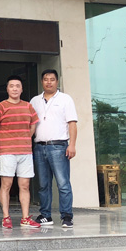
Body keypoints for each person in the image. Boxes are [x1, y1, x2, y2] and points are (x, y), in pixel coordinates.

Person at [0, 75, 40, 229]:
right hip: (7, 152)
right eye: (11, 86)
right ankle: (6, 217)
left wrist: (25, 139)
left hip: (25, 152)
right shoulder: (0, 107)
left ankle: (25, 218)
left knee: (25, 185)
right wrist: (2, 144)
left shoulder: (28, 106)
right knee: (6, 184)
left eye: (18, 86)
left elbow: (33, 125)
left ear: (22, 89)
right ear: (7, 89)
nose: (15, 89)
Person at [30, 69, 78, 229]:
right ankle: (45, 215)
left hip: (59, 146)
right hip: (39, 147)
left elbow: (72, 123)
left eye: (52, 79)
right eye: (45, 79)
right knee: (43, 185)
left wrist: (72, 144)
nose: (49, 82)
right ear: (41, 82)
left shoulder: (65, 99)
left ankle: (67, 216)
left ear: (57, 82)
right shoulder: (34, 101)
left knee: (63, 183)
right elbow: (30, 124)